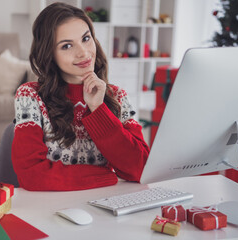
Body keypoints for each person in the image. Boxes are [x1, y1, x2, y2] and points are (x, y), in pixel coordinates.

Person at [11, 2, 150, 191]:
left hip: (104, 206)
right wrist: (105, 177)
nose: (83, 52)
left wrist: (98, 110)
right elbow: (31, 175)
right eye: (67, 46)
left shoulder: (117, 96)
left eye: (86, 38)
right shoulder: (30, 95)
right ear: (49, 55)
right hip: (50, 207)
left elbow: (141, 168)